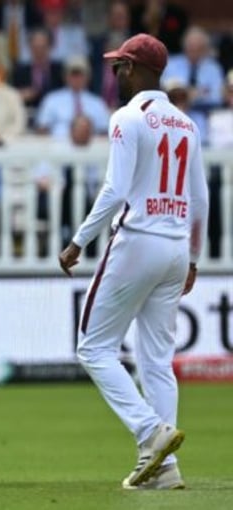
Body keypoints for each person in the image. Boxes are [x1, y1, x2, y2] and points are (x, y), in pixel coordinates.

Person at [58, 33, 209, 490]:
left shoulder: (127, 117)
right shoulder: (186, 123)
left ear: (135, 69)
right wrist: (195, 260)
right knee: (157, 360)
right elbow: (199, 198)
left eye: (119, 66)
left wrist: (79, 240)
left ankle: (150, 430)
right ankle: (164, 470)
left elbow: (115, 189)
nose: (116, 74)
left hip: (139, 240)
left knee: (93, 347)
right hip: (176, 246)